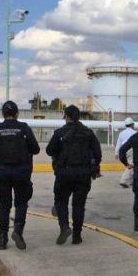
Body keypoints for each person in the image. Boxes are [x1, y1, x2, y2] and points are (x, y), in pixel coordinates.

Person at [46, 105, 102, 245]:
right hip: (83, 174)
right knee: (79, 205)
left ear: (67, 117)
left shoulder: (60, 132)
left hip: (64, 173)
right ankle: (77, 235)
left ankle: (64, 227)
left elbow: (49, 150)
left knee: (61, 202)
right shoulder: (88, 133)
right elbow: (98, 153)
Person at [0, 101, 40, 250]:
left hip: (3, 172)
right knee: (21, 203)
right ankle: (18, 231)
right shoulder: (24, 128)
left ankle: (2, 239)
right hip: (22, 172)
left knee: (4, 206)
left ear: (3, 114)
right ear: (17, 113)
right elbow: (35, 149)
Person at [115, 117, 136, 188]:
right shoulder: (135, 133)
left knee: (132, 165)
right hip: (131, 150)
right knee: (130, 165)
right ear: (132, 124)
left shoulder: (122, 133)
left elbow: (118, 143)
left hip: (123, 150)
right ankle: (124, 180)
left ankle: (132, 181)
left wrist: (116, 153)